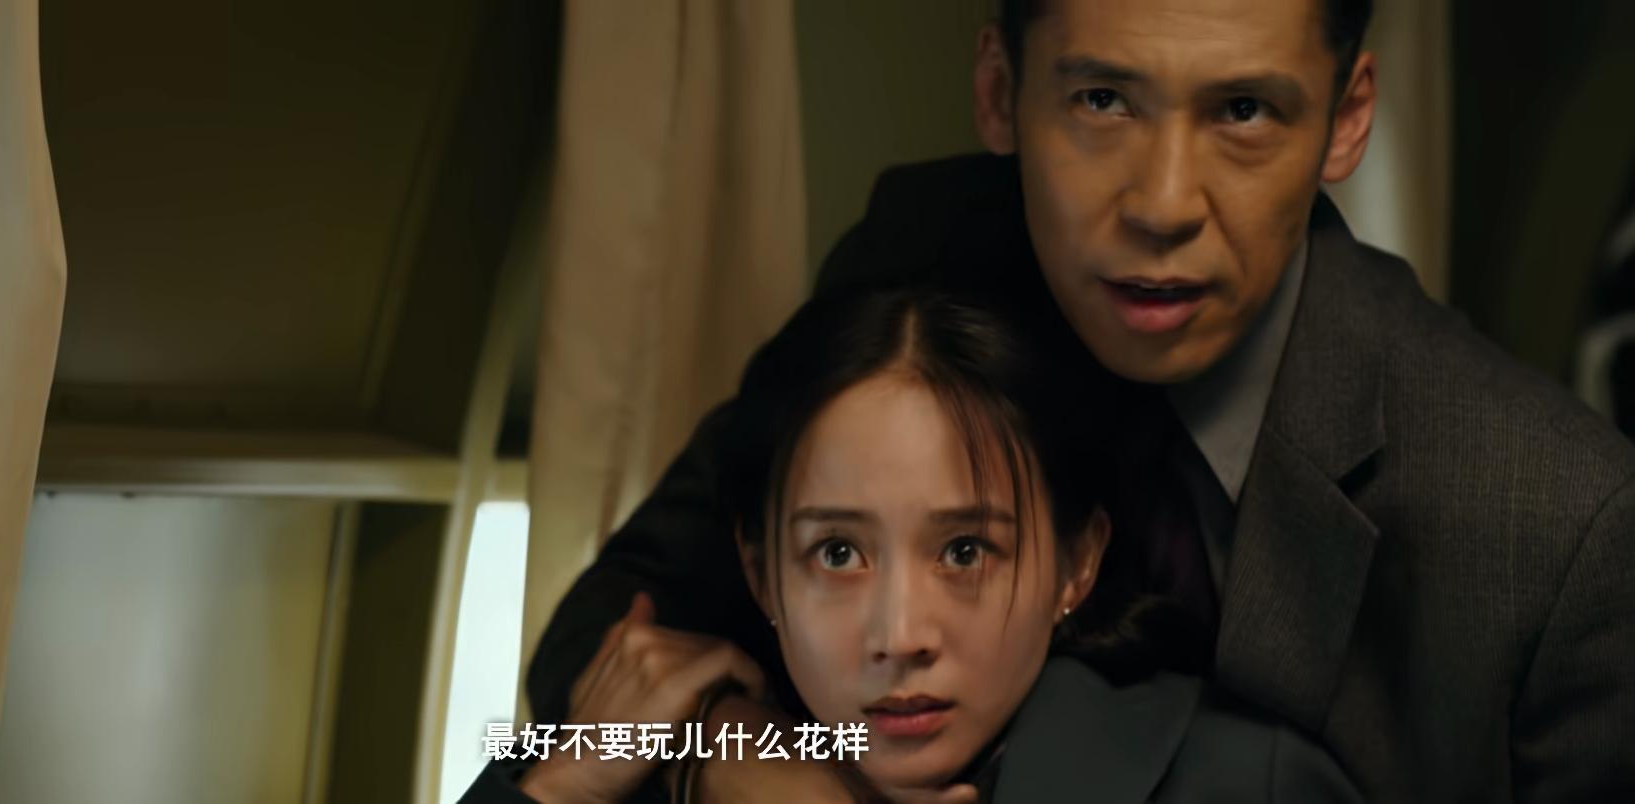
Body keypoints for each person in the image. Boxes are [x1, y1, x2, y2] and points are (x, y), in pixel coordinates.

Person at [527, 0, 1635, 801]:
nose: (1162, 204)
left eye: (1244, 109)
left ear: (1348, 119)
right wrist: (741, 761)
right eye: (1102, 99)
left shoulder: (1557, 527)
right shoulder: (929, 259)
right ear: (1000, 92)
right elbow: (608, 632)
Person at [465, 287, 1358, 802]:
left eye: (965, 552)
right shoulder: (673, 775)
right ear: (760, 573)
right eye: (838, 555)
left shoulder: (1246, 784)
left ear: (1078, 562)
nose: (899, 635)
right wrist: (561, 788)